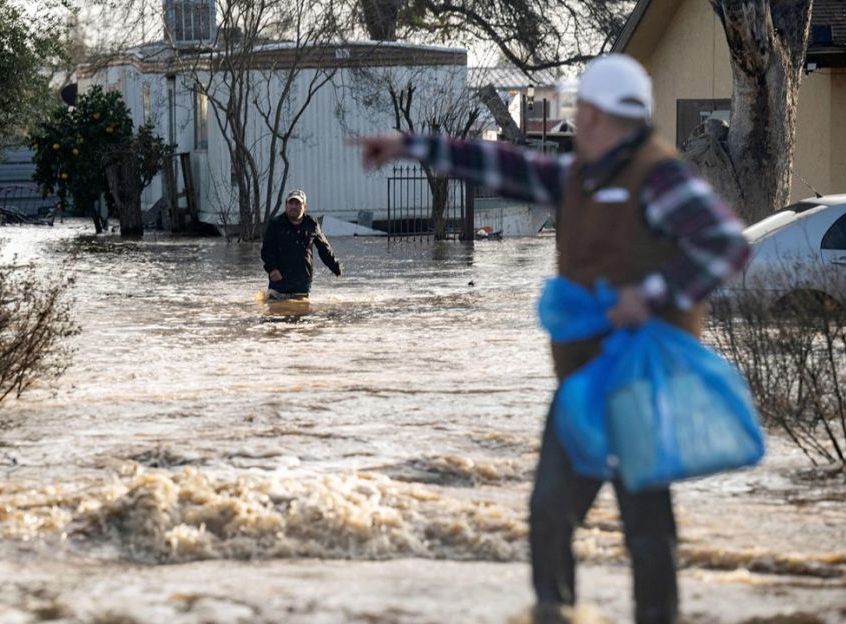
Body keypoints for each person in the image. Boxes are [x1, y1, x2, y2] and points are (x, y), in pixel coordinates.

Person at [352, 54, 751, 623]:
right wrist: (409, 144)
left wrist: (654, 294)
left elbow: (726, 244)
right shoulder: (579, 177)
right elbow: (502, 166)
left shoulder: (659, 175)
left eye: (580, 109)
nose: (575, 121)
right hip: (583, 384)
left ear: (595, 114)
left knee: (646, 527)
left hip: (638, 382)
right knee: (550, 512)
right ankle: (553, 613)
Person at [260, 189, 342, 299]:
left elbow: (324, 249)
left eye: (297, 203)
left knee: (301, 313)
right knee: (276, 314)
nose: (293, 206)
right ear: (286, 205)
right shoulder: (276, 224)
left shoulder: (312, 224)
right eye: (291, 203)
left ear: (305, 206)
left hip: (302, 283)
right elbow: (266, 250)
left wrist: (335, 267)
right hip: (279, 282)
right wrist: (272, 269)